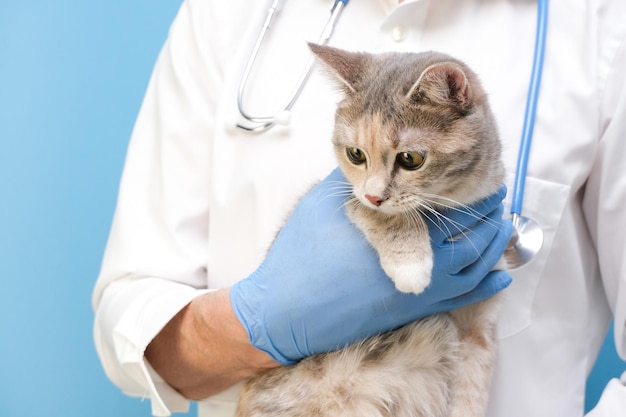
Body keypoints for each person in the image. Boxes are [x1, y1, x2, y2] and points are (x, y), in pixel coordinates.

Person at [92, 0, 626, 416]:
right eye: (355, 157)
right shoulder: (228, 13)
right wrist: (260, 321)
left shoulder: (601, 26)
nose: (373, 193)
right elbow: (129, 323)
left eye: (410, 159)